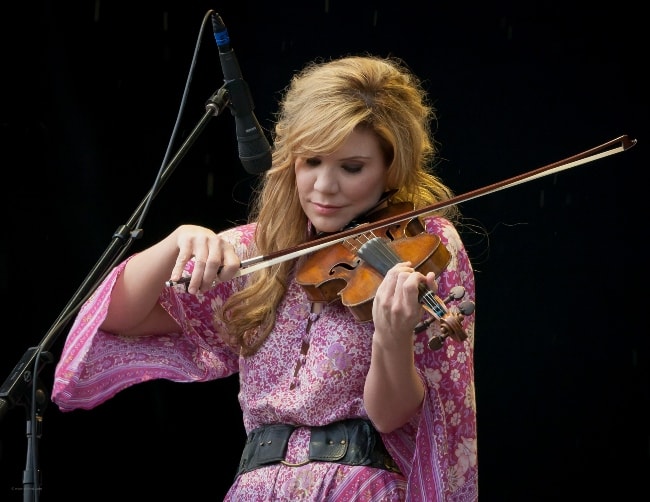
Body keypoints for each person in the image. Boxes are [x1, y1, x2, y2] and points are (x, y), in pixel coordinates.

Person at [52, 54, 478, 501]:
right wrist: (176, 242)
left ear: (391, 166)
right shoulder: (259, 251)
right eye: (311, 161)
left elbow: (391, 417)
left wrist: (391, 338)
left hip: (357, 487)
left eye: (351, 168)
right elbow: (119, 319)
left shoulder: (423, 244)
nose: (323, 186)